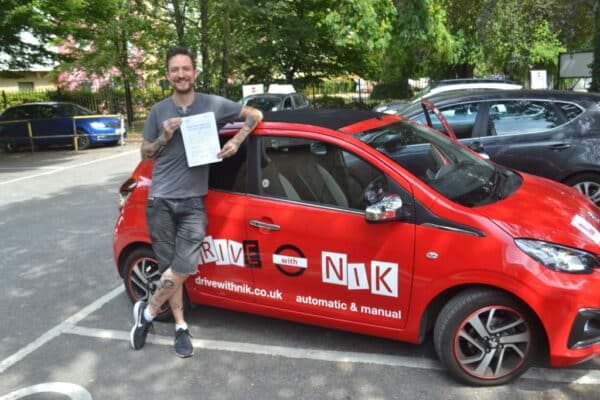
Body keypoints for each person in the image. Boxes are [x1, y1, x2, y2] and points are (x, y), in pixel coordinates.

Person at [130, 47, 263, 358]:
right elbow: (145, 154)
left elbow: (255, 115)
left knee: (185, 265)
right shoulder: (159, 111)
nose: (180, 74)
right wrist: (164, 137)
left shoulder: (213, 104)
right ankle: (180, 326)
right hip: (161, 199)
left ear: (194, 72)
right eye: (174, 70)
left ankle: (146, 314)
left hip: (192, 201)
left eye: (185, 69)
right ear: (168, 75)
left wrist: (236, 140)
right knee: (168, 268)